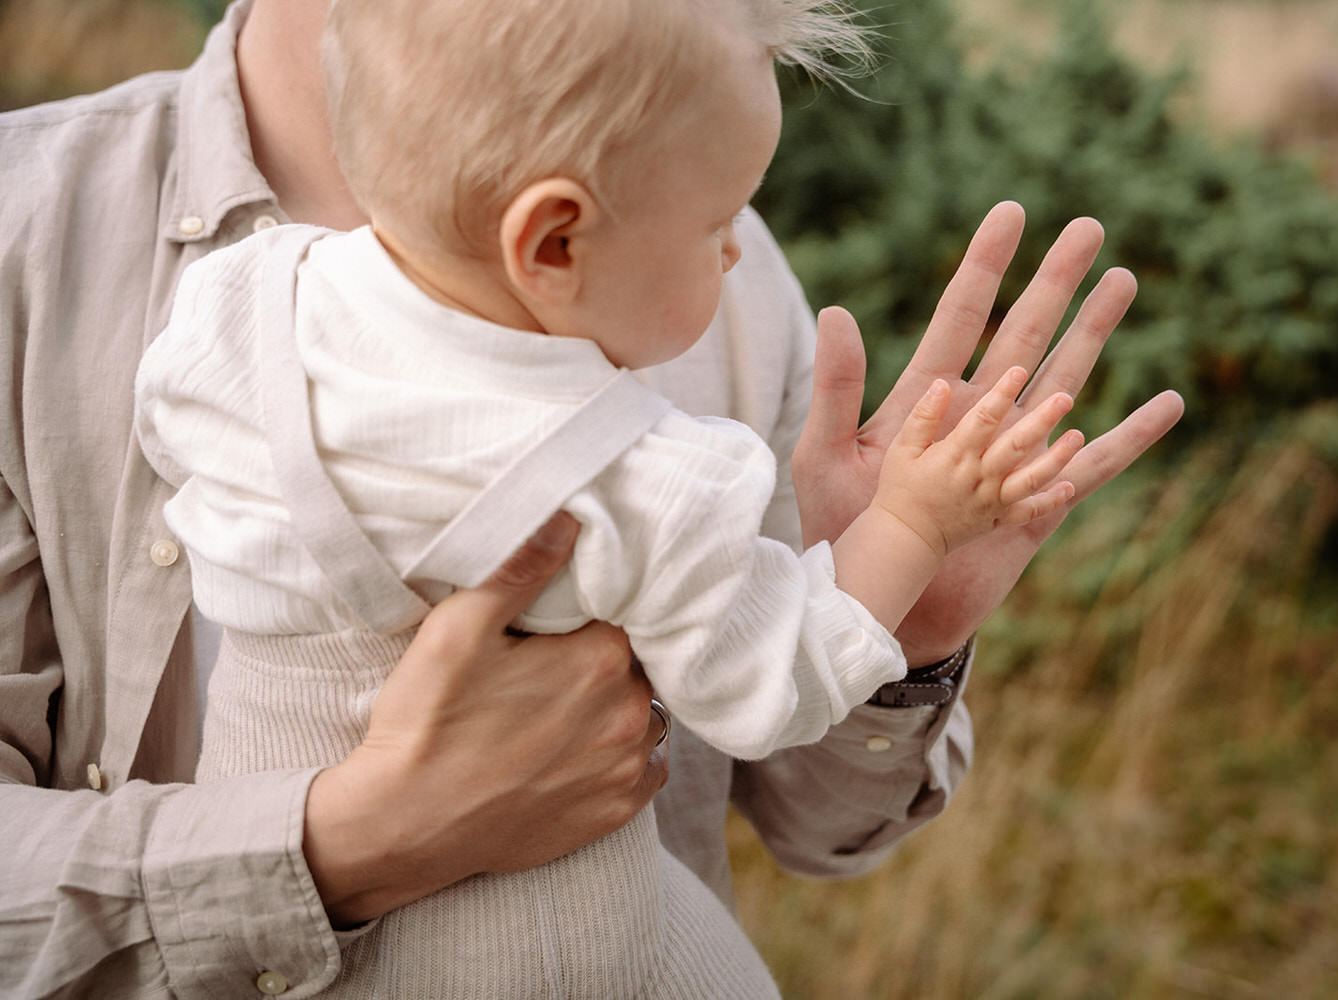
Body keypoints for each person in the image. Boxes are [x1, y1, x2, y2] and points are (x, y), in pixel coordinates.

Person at [0, 0, 1184, 996]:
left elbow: (815, 824)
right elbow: (767, 675)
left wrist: (912, 625)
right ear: (552, 244)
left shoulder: (234, 307)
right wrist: (344, 846)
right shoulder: (32, 228)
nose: (730, 250)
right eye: (719, 227)